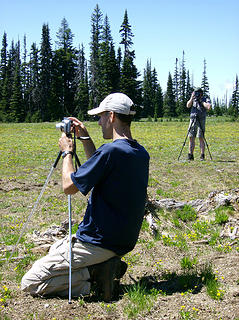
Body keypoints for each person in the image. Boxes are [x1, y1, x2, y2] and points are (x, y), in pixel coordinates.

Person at [21, 92, 150, 301]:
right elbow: (100, 168)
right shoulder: (139, 152)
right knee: (56, 246)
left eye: (100, 117)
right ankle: (104, 266)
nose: (99, 123)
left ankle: (95, 276)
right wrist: (85, 138)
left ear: (111, 116)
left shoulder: (111, 152)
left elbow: (69, 186)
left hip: (98, 242)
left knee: (31, 282)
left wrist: (67, 153)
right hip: (120, 240)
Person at [186, 87, 211, 161]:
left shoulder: (205, 98)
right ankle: (190, 155)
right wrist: (191, 98)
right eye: (195, 93)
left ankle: (202, 155)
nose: (197, 94)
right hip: (193, 119)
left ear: (201, 93)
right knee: (191, 137)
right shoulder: (193, 99)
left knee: (201, 137)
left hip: (201, 119)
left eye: (198, 93)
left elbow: (209, 107)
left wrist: (201, 101)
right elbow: (188, 105)